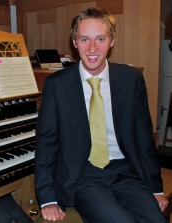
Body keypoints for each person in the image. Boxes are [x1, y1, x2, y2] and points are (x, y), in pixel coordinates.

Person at [34, 7, 169, 223]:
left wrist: (155, 187)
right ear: (74, 41)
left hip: (126, 171)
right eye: (85, 39)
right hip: (83, 176)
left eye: (100, 38)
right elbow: (46, 144)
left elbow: (144, 138)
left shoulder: (131, 79)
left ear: (112, 40)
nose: (92, 48)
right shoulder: (56, 85)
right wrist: (47, 198)